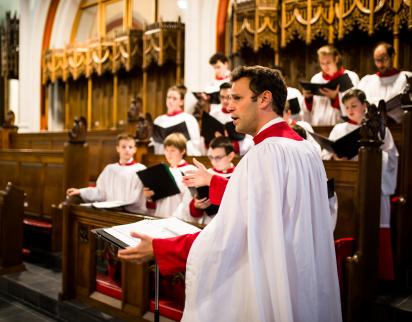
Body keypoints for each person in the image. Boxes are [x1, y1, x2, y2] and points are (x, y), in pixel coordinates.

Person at [118, 66, 342, 322]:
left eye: (237, 98)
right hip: (302, 274)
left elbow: (229, 237)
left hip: (273, 279)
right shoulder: (305, 149)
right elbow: (268, 202)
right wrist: (213, 181)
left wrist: (162, 248)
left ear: (265, 99)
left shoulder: (264, 154)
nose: (227, 107)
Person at [322, 88, 398, 279]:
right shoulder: (339, 128)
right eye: (346, 107)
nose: (350, 110)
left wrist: (366, 156)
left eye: (354, 106)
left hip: (372, 186)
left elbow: (392, 158)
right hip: (346, 184)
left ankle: (378, 276)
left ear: (365, 106)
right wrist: (333, 155)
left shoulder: (380, 129)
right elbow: (325, 154)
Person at [66, 133, 147, 213]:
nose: (127, 150)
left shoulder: (141, 169)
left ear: (135, 149)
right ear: (118, 148)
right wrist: (81, 191)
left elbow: (141, 196)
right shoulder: (110, 169)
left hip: (132, 212)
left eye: (130, 147)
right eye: (123, 147)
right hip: (111, 211)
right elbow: (100, 192)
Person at [303, 45, 359, 126]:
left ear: (336, 59)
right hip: (318, 127)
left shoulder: (351, 77)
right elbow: (311, 109)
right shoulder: (316, 78)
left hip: (340, 126)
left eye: (328, 63)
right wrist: (308, 99)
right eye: (322, 63)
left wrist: (335, 98)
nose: (325, 66)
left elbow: (356, 106)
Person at [185, 136, 236, 225]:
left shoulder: (239, 174)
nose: (213, 161)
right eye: (211, 157)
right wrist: (196, 205)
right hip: (209, 223)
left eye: (218, 157)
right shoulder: (205, 174)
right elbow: (192, 212)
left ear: (230, 156)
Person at [145, 133, 197, 219]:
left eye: (172, 150)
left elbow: (192, 199)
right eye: (166, 150)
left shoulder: (190, 170)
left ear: (183, 151)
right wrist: (150, 197)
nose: (169, 154)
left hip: (180, 219)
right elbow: (153, 206)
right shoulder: (162, 172)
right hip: (159, 217)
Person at [152, 85, 203, 156]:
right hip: (161, 157)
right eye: (169, 97)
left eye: (174, 98)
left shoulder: (188, 119)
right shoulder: (158, 120)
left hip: (182, 158)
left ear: (181, 102)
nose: (170, 101)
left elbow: (195, 143)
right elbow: (154, 144)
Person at [357, 42, 412, 106]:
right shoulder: (366, 82)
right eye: (377, 60)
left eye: (383, 59)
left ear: (392, 56)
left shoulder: (407, 78)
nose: (380, 64)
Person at [209, 82, 254, 155]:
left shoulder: (242, 113)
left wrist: (229, 143)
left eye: (228, 97)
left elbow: (249, 140)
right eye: (222, 97)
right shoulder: (213, 114)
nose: (225, 101)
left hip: (238, 155)